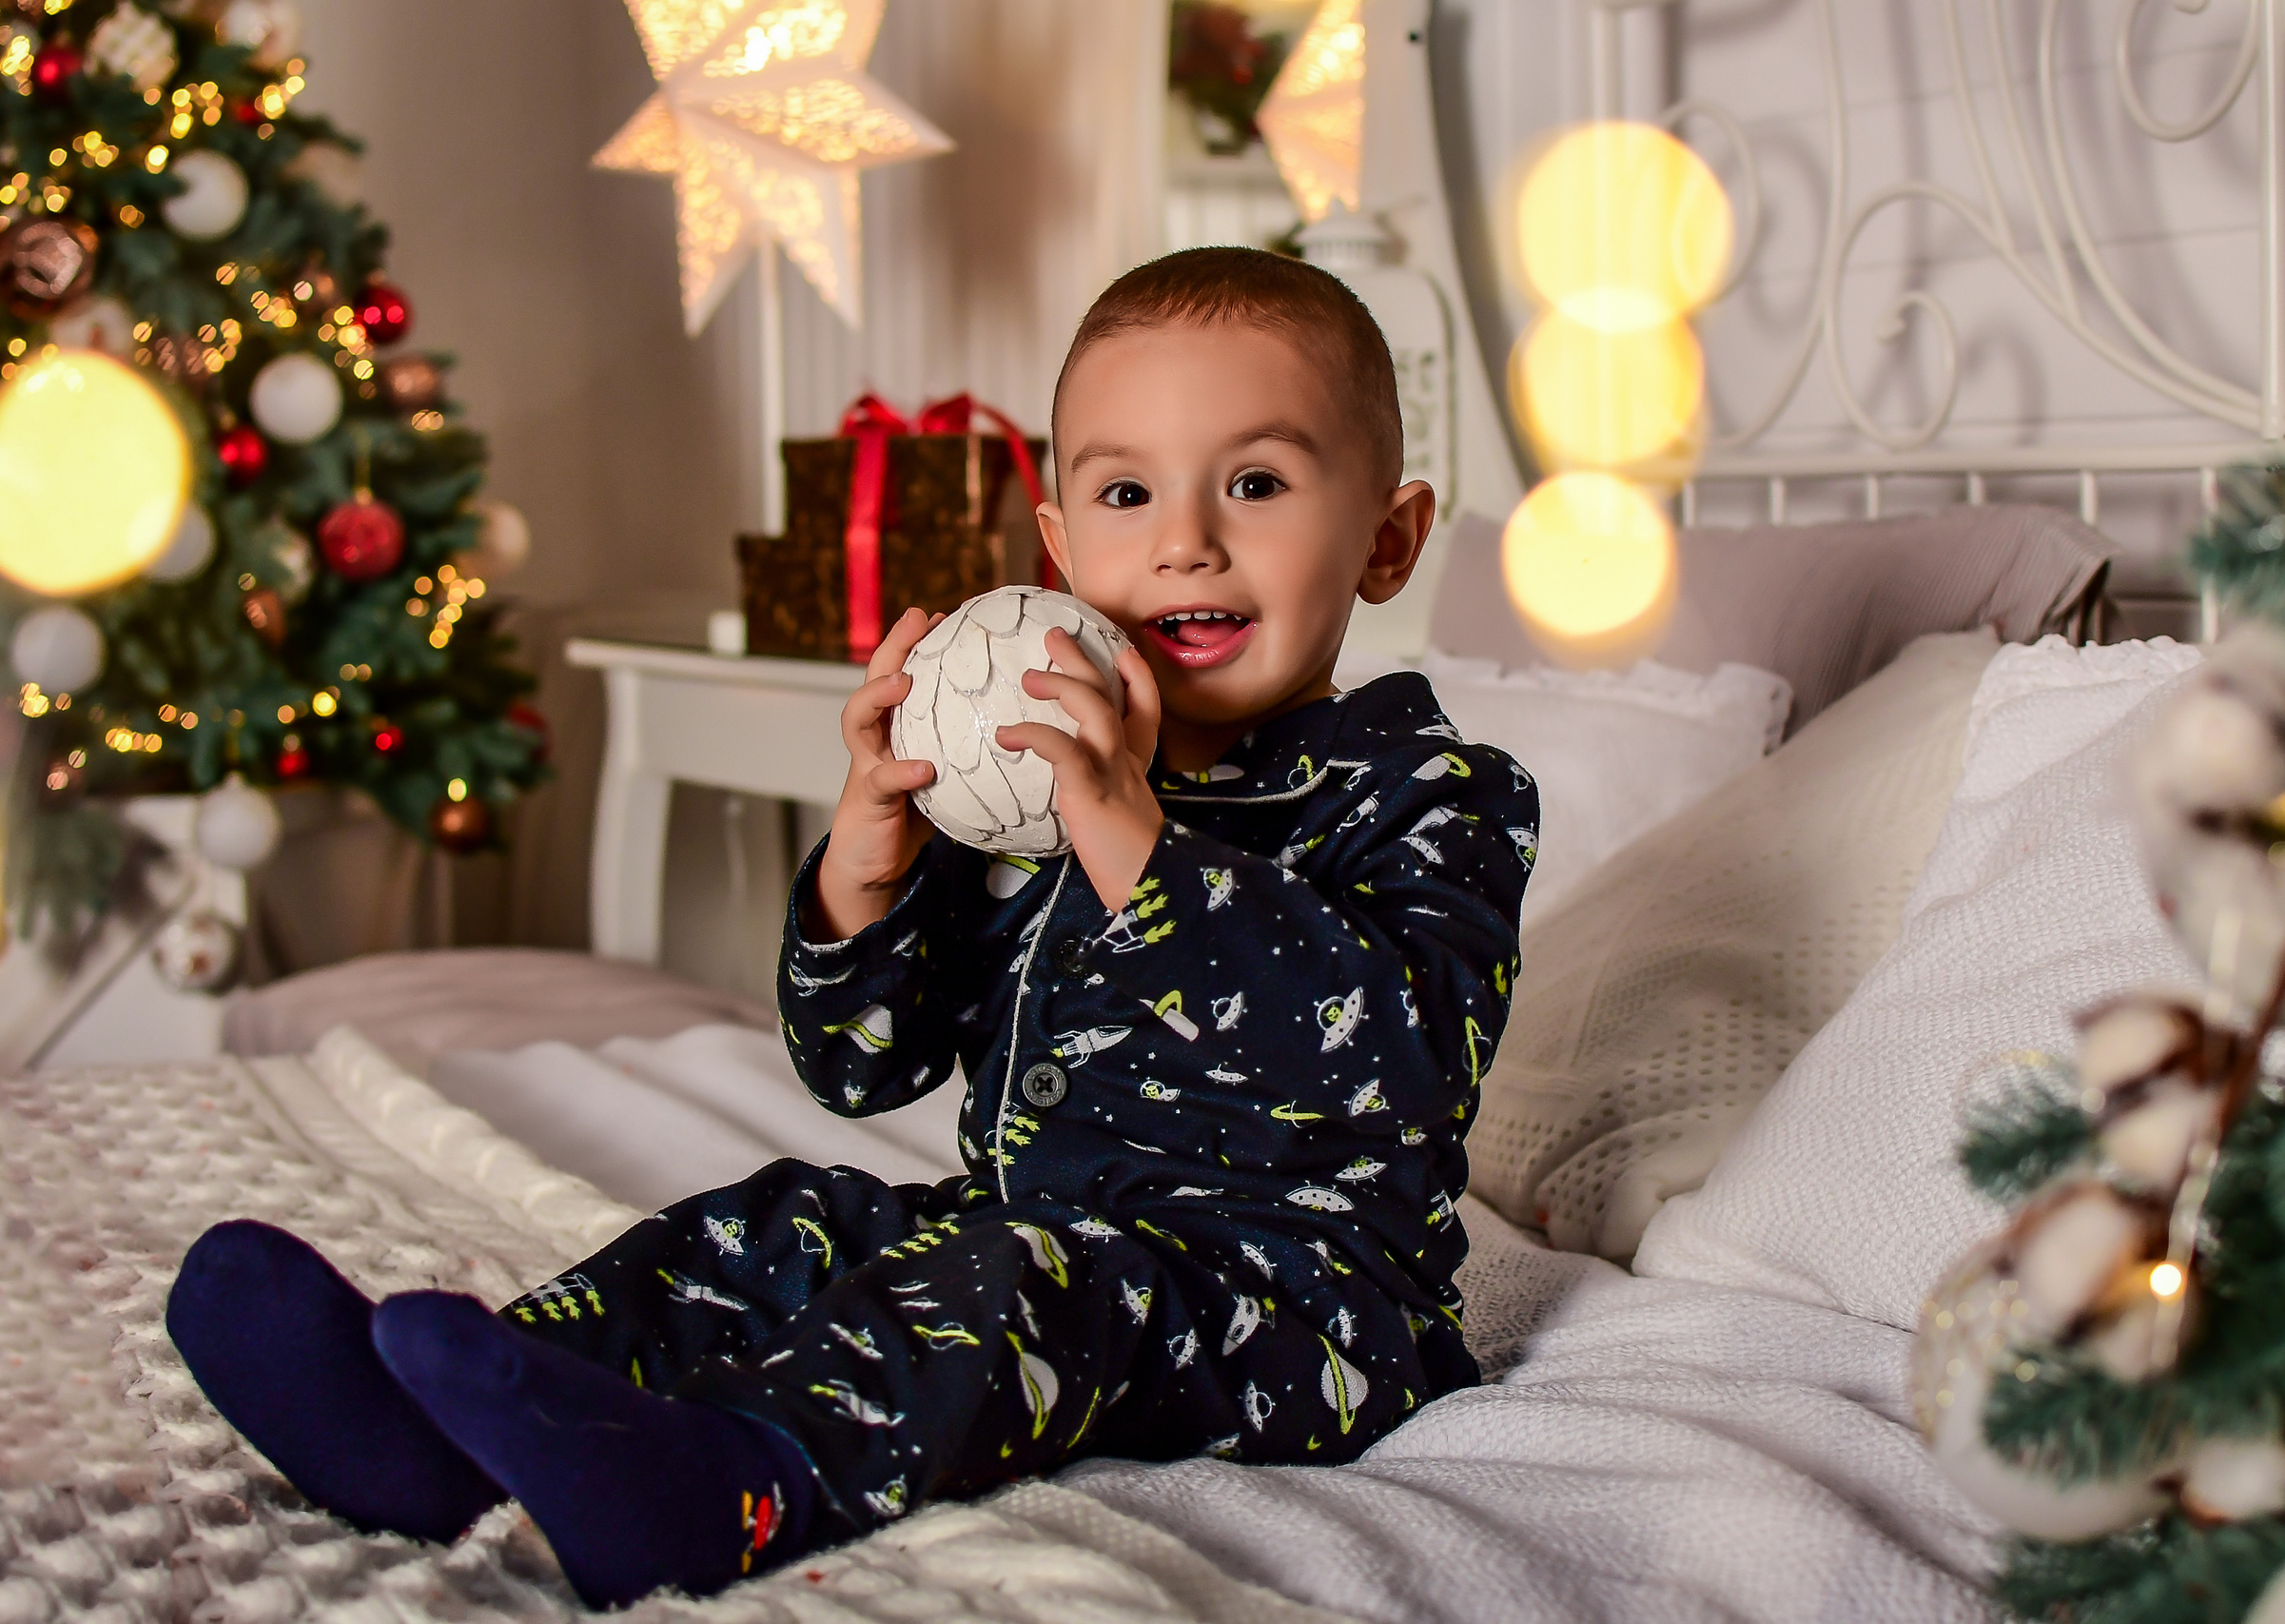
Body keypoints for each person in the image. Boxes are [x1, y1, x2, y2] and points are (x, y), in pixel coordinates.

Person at [166, 246, 1537, 1609]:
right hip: (1048, 1231)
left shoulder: (1430, 794)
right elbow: (862, 1066)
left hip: (1299, 1316)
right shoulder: (1033, 780)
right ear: (1060, 548)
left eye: (1256, 483)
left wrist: (1133, 833)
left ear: (1388, 537)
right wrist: (869, 868)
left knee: (1012, 1284)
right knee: (794, 1222)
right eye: (1127, 492)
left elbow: (1384, 1061)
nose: (1185, 538)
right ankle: (454, 1424)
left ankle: (737, 1482)